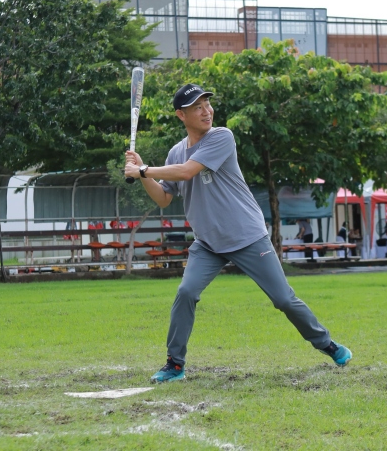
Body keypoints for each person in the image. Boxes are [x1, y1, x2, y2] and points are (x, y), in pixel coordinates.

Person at [124, 83, 351, 383]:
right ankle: (174, 364)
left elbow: (187, 172)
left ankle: (326, 344)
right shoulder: (176, 151)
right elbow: (164, 198)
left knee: (283, 299)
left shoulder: (221, 137)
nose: (207, 111)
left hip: (247, 236)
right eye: (197, 107)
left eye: (207, 104)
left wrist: (143, 170)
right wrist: (141, 172)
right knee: (186, 292)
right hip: (208, 243)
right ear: (181, 115)